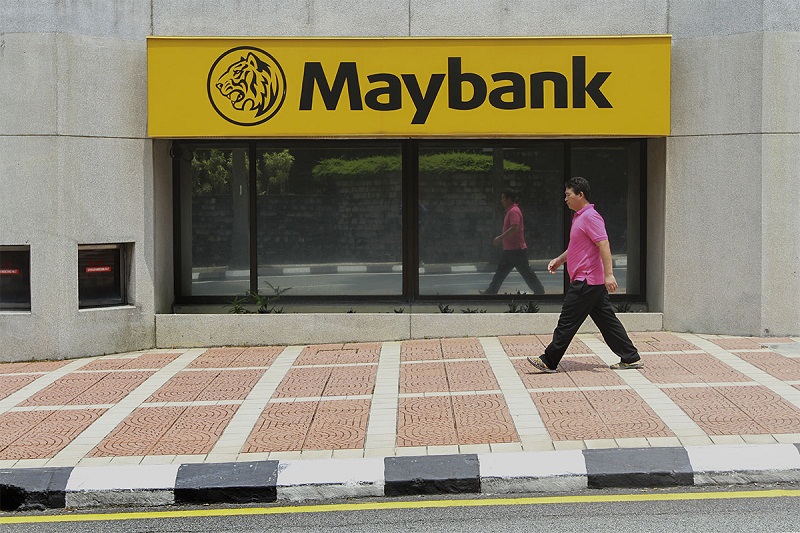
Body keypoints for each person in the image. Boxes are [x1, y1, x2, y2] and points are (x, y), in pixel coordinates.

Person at [527, 177, 642, 372]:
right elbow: (576, 247)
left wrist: (609, 275)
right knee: (607, 322)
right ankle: (630, 357)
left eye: (568, 195)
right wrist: (560, 260)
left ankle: (549, 360)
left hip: (586, 281)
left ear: (581, 195)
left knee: (567, 321)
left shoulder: (591, 216)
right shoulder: (579, 217)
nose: (565, 199)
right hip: (590, 283)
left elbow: (603, 244)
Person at [480, 189, 545, 295]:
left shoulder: (514, 211)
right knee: (501, 273)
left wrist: (499, 238)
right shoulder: (511, 211)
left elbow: (514, 228)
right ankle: (491, 291)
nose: (501, 200)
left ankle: (539, 291)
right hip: (510, 250)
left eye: (503, 198)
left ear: (509, 199)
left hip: (516, 250)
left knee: (526, 273)